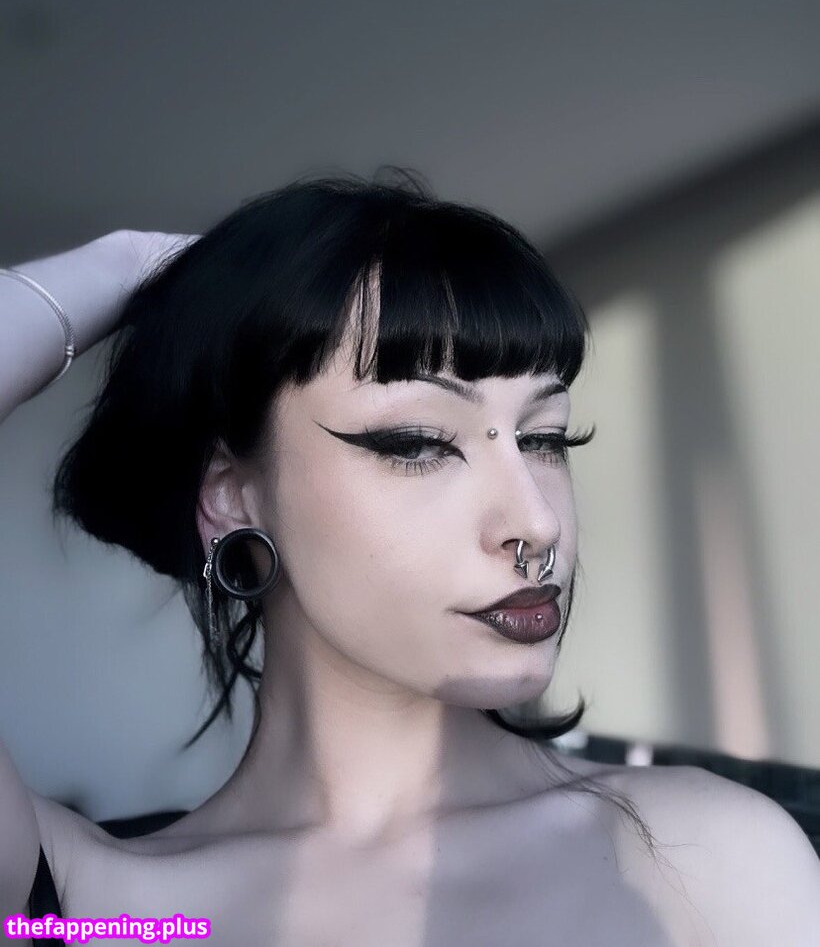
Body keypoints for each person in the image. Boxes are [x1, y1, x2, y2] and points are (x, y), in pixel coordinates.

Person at [1, 171, 818, 947]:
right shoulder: (101, 907)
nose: (535, 524)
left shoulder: (704, 853)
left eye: (546, 438)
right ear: (232, 496)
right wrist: (131, 263)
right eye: (419, 443)